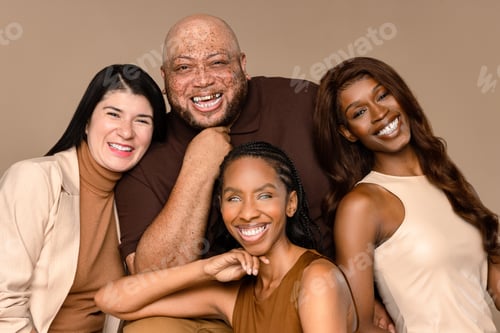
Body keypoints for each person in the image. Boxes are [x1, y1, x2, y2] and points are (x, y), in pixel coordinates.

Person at [313, 56, 500, 332]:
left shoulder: (448, 182)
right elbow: (359, 326)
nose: (379, 114)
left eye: (383, 95)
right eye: (359, 112)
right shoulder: (363, 205)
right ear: (348, 132)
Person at [96, 141, 358, 333]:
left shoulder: (317, 279)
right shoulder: (234, 296)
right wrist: (203, 269)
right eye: (234, 198)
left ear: (291, 203)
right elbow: (111, 300)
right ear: (221, 208)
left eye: (264, 196)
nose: (247, 213)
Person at [0, 64, 167, 333]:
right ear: (87, 121)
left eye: (142, 120)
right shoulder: (34, 179)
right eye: (114, 114)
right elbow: (3, 304)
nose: (126, 132)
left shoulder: (133, 200)